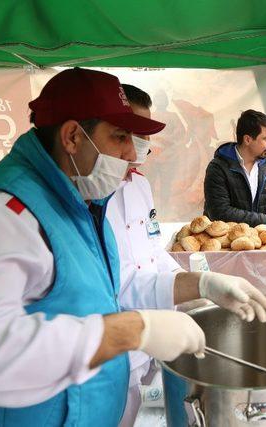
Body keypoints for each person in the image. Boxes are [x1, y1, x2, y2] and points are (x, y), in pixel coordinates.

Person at [0, 68, 266, 426]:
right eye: (119, 136)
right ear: (72, 136)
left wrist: (203, 284)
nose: (131, 152)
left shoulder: (79, 200)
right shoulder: (1, 212)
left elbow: (114, 284)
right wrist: (132, 330)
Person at [105, 84, 182, 426]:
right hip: (114, 340)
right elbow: (121, 280)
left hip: (148, 337)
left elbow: (153, 250)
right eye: (130, 132)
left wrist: (189, 283)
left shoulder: (140, 185)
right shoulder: (92, 193)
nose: (139, 143)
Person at [203, 109, 266, 227]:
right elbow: (219, 212)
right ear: (247, 139)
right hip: (224, 243)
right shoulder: (218, 168)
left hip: (259, 243)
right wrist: (264, 219)